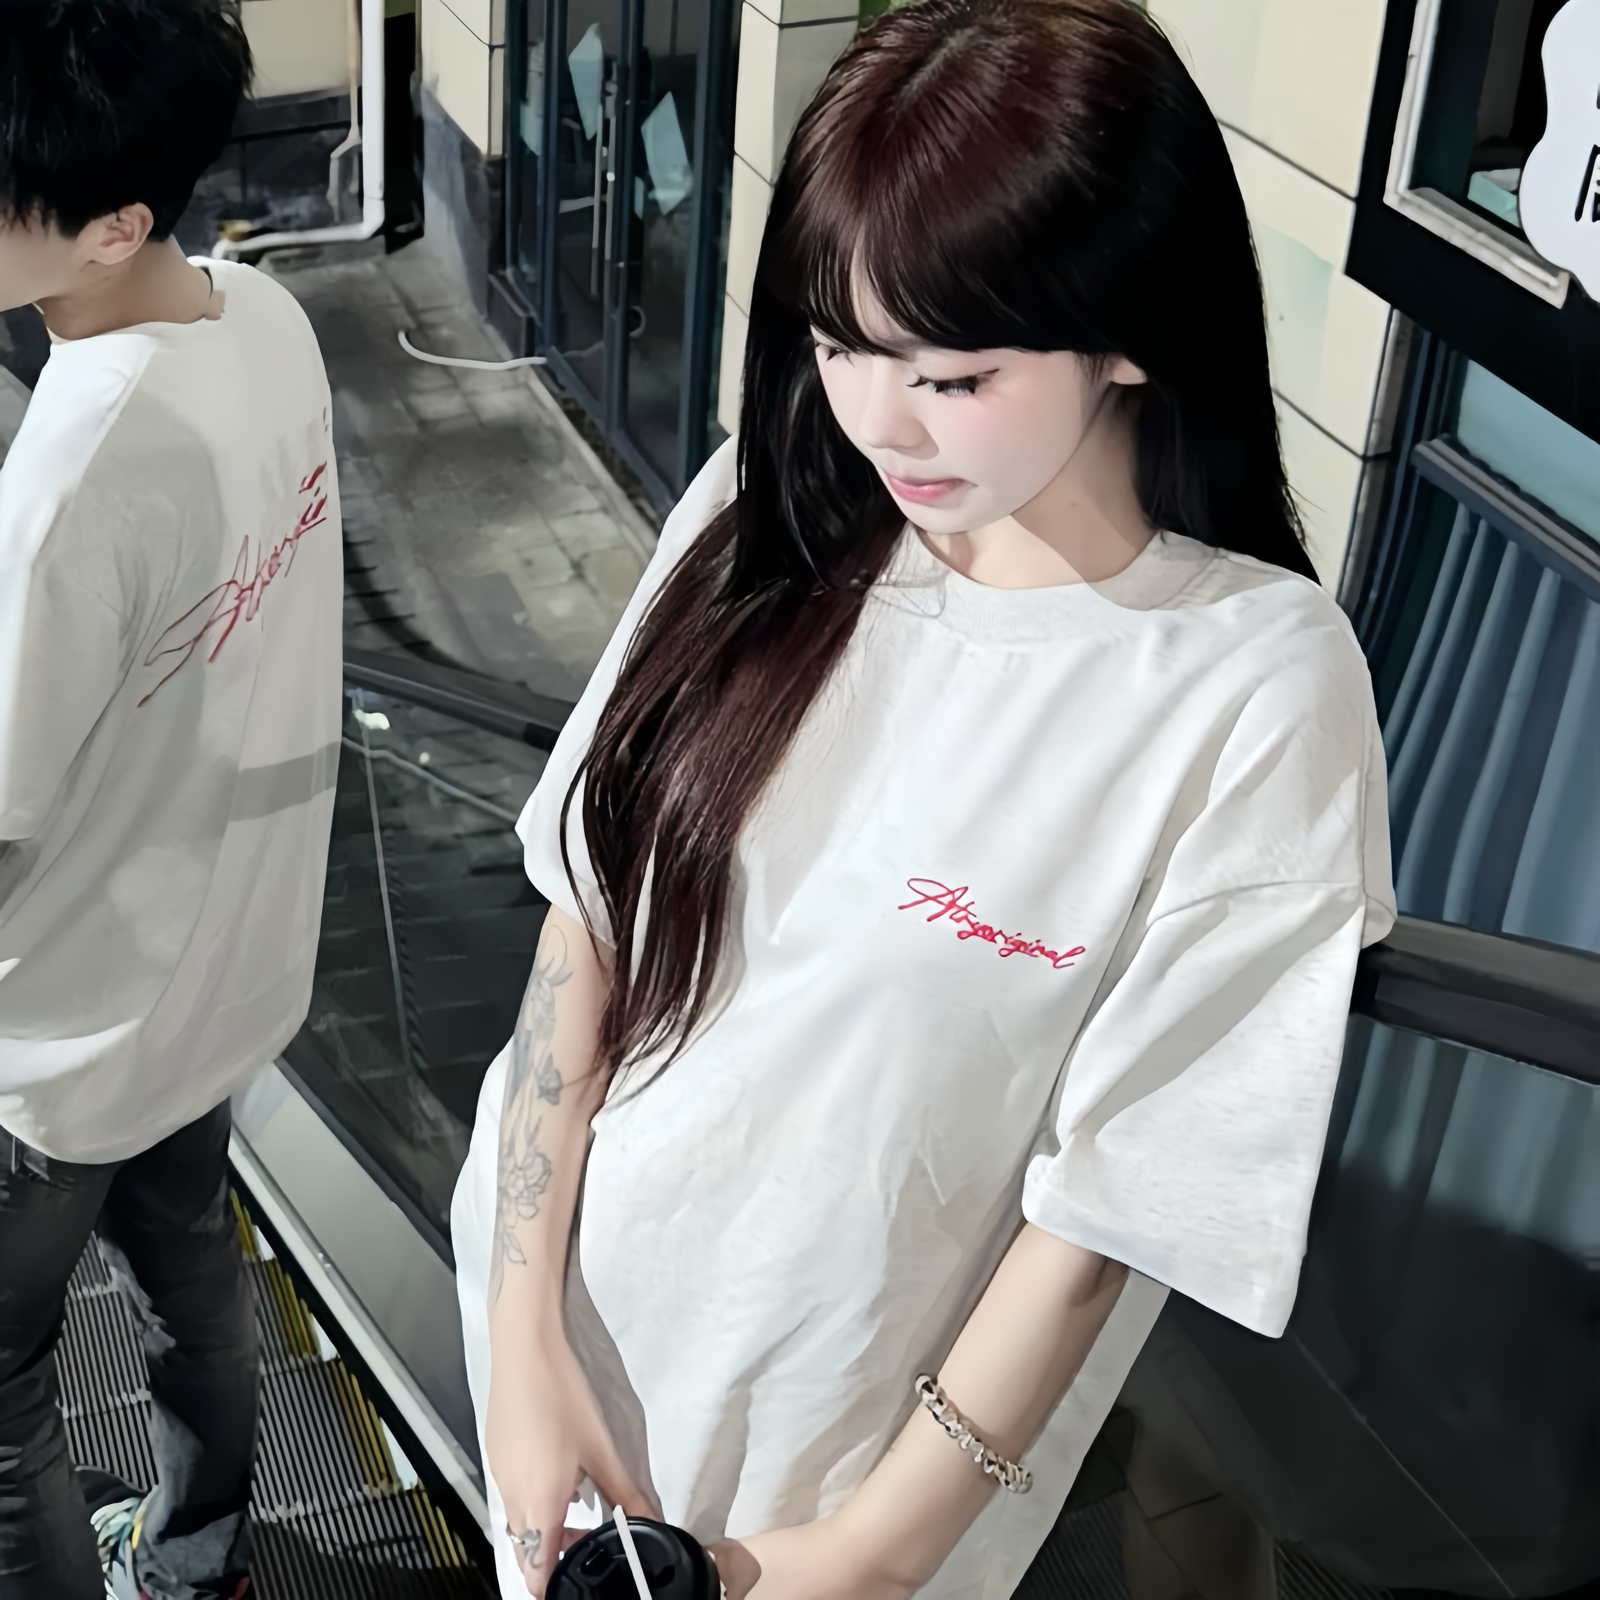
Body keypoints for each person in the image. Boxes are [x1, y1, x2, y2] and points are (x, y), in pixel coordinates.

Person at [451, 0, 1395, 1594]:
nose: (876, 421)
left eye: (952, 374)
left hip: (835, 1484)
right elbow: (589, 916)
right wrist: (521, 1335)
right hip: (549, 1335)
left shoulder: (1250, 685)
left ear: (1129, 329)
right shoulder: (766, 511)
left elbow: (1109, 1211)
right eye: (838, 348)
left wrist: (863, 1557)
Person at [0, 3, 343, 1597]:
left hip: (55, 1032)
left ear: (112, 225)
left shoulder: (76, 469)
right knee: (191, 1271)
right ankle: (200, 1564)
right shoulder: (265, 316)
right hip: (220, 971)